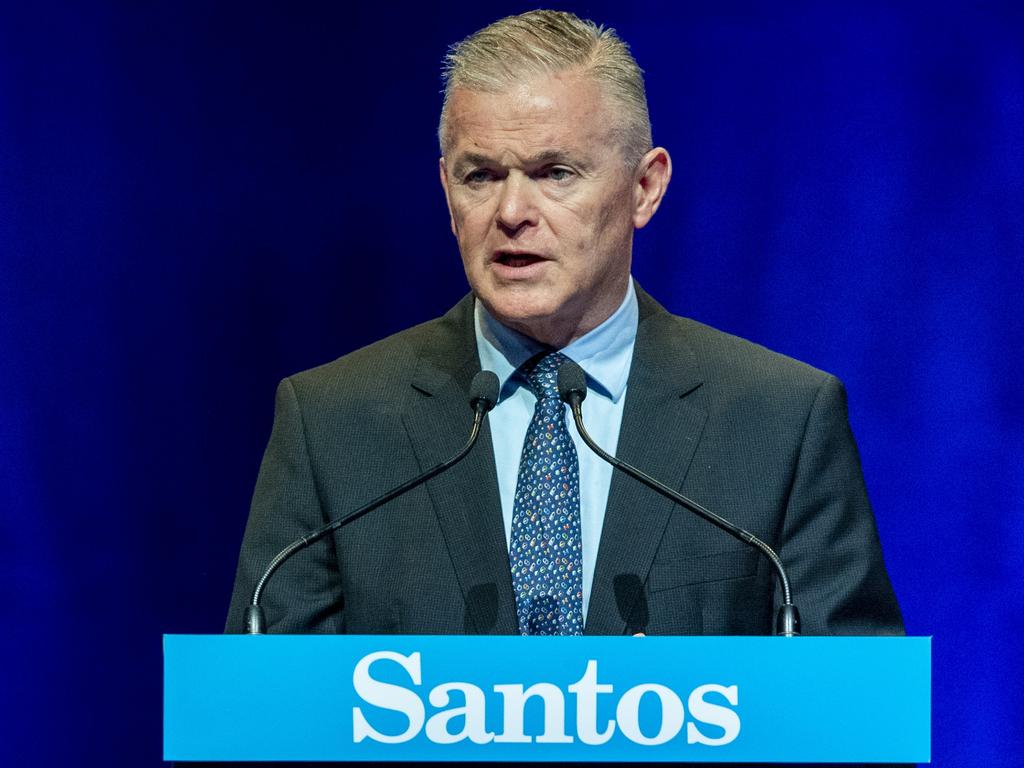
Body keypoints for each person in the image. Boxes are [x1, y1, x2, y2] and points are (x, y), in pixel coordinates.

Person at [226, 10, 902, 638]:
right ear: (446, 191)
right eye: (481, 176)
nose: (512, 211)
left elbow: (854, 725)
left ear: (645, 187)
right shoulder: (333, 422)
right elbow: (259, 727)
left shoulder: (780, 421)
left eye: (554, 173)